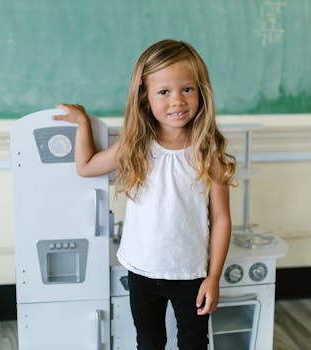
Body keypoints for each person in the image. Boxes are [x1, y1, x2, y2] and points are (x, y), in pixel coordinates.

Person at [53, 39, 236, 350]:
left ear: (201, 93)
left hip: (191, 273)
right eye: (164, 92)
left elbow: (221, 219)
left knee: (194, 344)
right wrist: (83, 123)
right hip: (141, 271)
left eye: (187, 89)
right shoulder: (136, 145)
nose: (177, 100)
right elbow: (85, 167)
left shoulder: (209, 154)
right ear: (145, 97)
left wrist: (213, 276)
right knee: (149, 343)